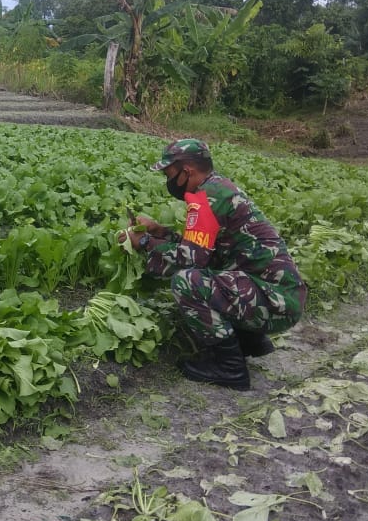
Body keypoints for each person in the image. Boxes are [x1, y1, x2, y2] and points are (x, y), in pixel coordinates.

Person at [120, 139, 307, 390]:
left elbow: (190, 260)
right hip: (276, 294)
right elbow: (201, 249)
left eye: (169, 173)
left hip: (276, 301)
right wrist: (159, 231)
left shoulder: (206, 198)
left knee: (186, 282)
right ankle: (250, 340)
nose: (168, 180)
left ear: (187, 171)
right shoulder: (217, 188)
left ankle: (230, 368)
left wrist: (144, 241)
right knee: (202, 272)